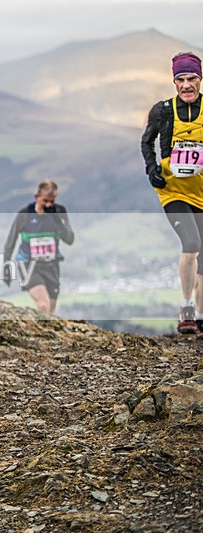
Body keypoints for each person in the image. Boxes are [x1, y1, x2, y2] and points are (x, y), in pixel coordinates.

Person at [140, 51, 203, 336]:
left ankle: (199, 317)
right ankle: (186, 308)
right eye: (181, 79)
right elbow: (146, 141)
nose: (187, 85)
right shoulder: (163, 111)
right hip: (173, 191)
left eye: (192, 78)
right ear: (174, 82)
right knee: (191, 244)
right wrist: (151, 168)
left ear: (200, 80)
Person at [2, 180, 74, 314]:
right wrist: (6, 268)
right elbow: (10, 243)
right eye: (45, 201)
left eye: (52, 201)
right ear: (37, 197)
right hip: (28, 264)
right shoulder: (24, 215)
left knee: (51, 310)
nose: (48, 205)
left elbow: (69, 239)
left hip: (51, 265)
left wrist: (57, 221)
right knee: (43, 305)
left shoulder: (59, 212)